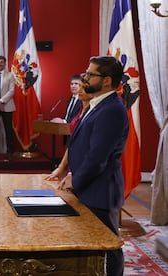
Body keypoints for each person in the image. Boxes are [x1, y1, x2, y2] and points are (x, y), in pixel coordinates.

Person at [51, 56, 128, 276]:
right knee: (91, 244)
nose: (85, 77)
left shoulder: (111, 109)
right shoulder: (97, 104)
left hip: (101, 189)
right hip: (90, 186)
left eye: (90, 74)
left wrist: (75, 180)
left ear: (106, 81)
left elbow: (97, 156)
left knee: (108, 245)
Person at [44, 85, 93, 181]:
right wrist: (61, 167)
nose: (80, 90)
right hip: (72, 161)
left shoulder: (93, 113)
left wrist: (73, 174)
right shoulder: (80, 110)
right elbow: (72, 144)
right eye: (80, 87)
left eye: (84, 88)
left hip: (84, 166)